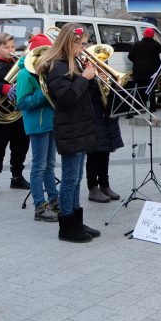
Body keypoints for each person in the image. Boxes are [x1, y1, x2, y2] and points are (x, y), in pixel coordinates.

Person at [37, 24, 100, 243]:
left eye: (85, 44)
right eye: (81, 44)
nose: (84, 48)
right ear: (68, 43)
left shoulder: (73, 63)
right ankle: (67, 227)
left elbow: (83, 95)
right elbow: (66, 100)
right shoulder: (57, 66)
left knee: (77, 178)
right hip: (69, 128)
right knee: (69, 179)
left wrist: (92, 78)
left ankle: (76, 221)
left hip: (80, 127)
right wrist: (84, 77)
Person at [16, 34, 58, 221]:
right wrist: (44, 93)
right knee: (39, 166)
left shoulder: (48, 70)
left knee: (49, 165)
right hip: (37, 125)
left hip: (52, 123)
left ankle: (54, 200)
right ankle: (40, 207)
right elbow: (22, 103)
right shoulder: (25, 74)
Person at [0, 32, 30, 194]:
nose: (11, 50)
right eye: (6, 47)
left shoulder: (19, 63)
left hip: (18, 114)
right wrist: (3, 88)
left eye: (13, 46)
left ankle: (17, 177)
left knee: (21, 145)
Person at [85, 72, 124, 203]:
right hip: (92, 117)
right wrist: (92, 80)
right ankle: (93, 188)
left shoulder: (103, 70)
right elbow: (87, 94)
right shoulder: (85, 72)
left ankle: (104, 185)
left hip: (105, 117)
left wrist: (112, 82)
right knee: (93, 154)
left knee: (105, 151)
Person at [128, 27, 161, 112]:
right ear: (152, 36)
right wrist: (154, 40)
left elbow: (130, 56)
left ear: (144, 34)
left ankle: (139, 107)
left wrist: (137, 62)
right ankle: (152, 108)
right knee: (151, 90)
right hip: (152, 72)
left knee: (139, 90)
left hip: (139, 72)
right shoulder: (155, 45)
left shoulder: (137, 44)